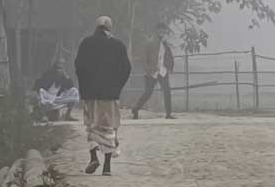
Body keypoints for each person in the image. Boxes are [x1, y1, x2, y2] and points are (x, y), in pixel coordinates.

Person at [75, 16, 131, 176]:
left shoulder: (86, 43)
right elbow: (126, 69)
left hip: (91, 95)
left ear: (96, 27)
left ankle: (93, 156)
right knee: (108, 128)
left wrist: (84, 88)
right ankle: (107, 166)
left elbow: (79, 67)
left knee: (92, 125)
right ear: (110, 28)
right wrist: (117, 87)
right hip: (110, 95)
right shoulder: (118, 45)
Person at [132, 22, 175, 120]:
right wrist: (147, 69)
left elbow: (168, 56)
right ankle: (136, 109)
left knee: (167, 91)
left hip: (162, 71)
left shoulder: (165, 43)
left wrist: (170, 67)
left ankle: (168, 114)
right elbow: (144, 58)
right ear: (156, 30)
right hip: (152, 71)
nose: (162, 31)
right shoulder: (150, 42)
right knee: (148, 92)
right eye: (160, 29)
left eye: (163, 30)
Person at [33, 57, 79, 122]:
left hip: (57, 98)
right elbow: (38, 84)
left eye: (62, 64)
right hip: (47, 96)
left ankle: (67, 115)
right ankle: (43, 116)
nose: (60, 66)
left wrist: (66, 76)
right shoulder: (49, 73)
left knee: (74, 91)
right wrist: (37, 95)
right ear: (55, 64)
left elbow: (71, 86)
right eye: (59, 63)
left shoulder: (64, 75)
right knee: (41, 92)